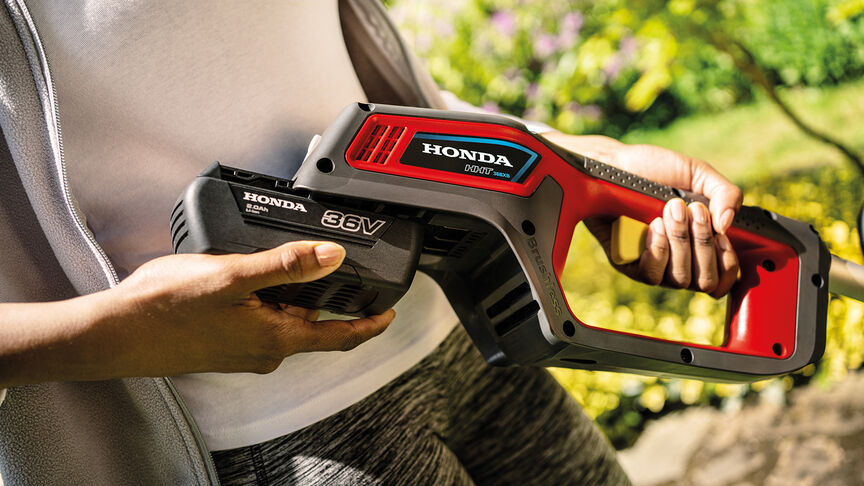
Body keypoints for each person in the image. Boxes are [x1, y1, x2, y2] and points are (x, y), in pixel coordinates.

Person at [0, 1, 741, 484]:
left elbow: (380, 110)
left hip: (467, 343)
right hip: (280, 431)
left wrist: (577, 162)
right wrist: (114, 334)